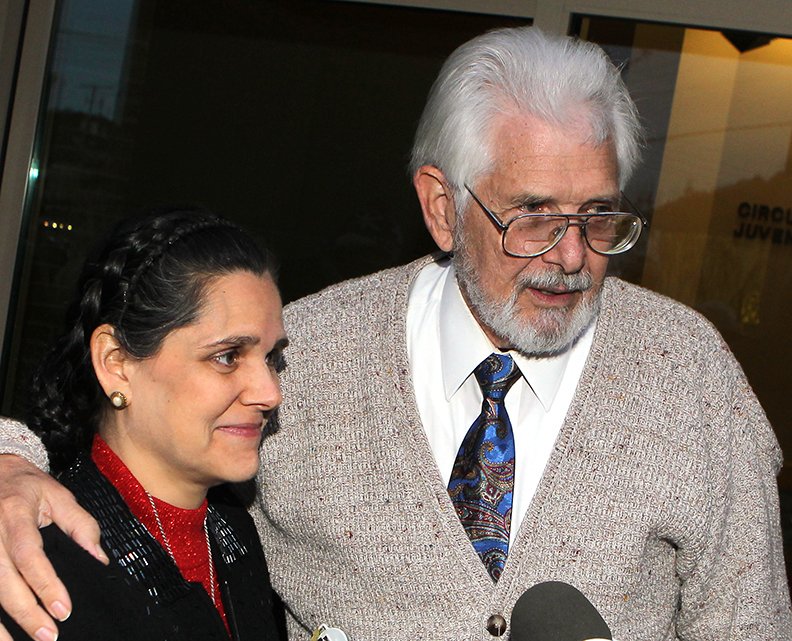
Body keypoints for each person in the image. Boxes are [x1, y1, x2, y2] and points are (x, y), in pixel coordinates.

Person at [0, 25, 790, 641]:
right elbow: (121, 423)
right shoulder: (302, 354)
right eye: (535, 216)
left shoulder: (690, 373)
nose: (574, 256)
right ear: (442, 206)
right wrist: (9, 464)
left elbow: (750, 622)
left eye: (597, 215)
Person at [0, 209, 287, 641]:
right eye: (227, 356)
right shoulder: (36, 563)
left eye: (272, 358)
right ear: (116, 365)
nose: (270, 392)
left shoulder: (236, 534)